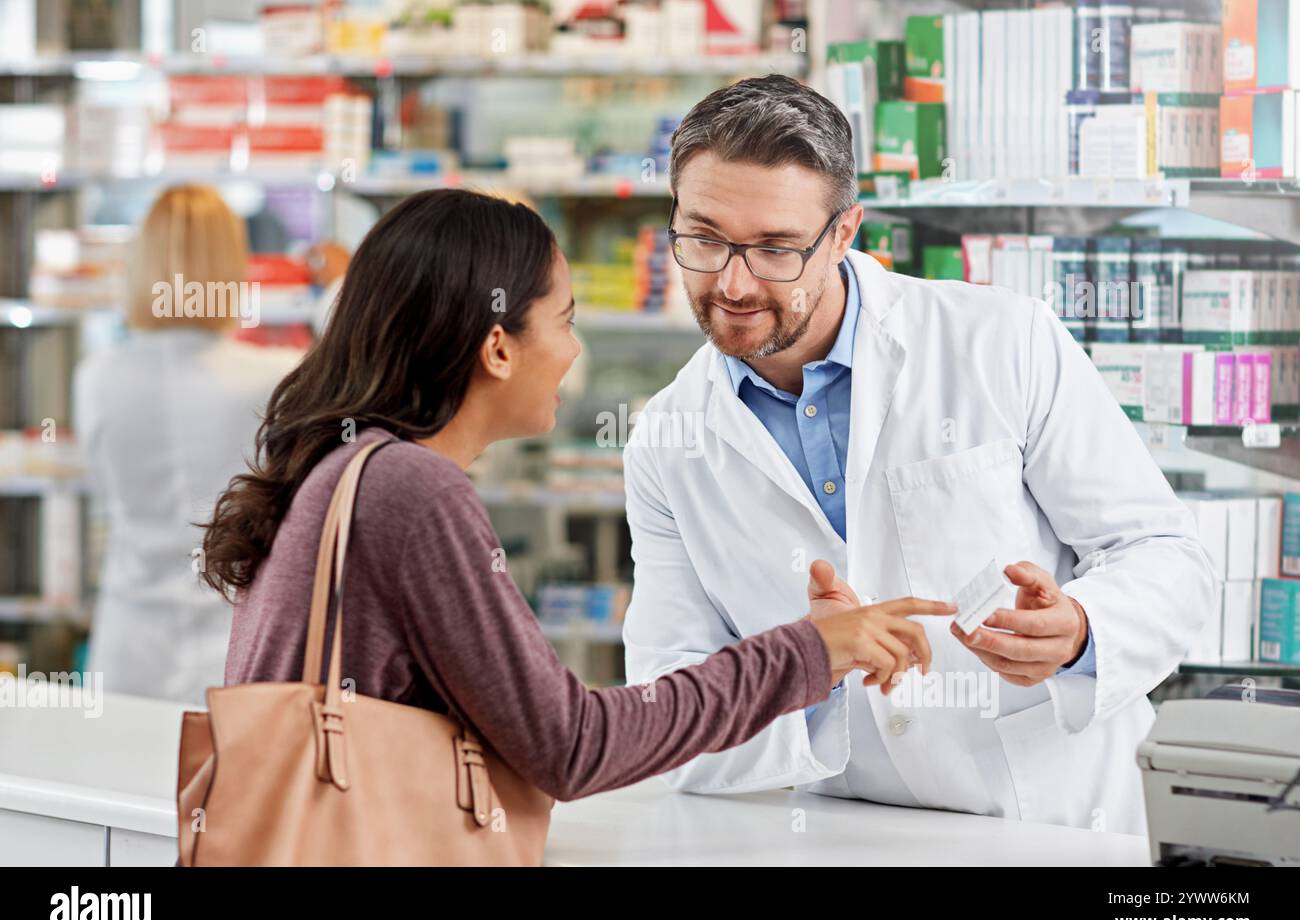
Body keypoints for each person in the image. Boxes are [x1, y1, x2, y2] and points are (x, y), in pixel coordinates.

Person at [204, 188, 955, 803]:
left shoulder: (344, 466)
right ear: (497, 349)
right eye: (563, 322)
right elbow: (570, 745)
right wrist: (809, 652)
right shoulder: (410, 490)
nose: (573, 352)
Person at [620, 75, 1216, 835]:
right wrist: (811, 667)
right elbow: (667, 716)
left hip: (1053, 823)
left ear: (844, 233)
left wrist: (1083, 632)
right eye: (703, 238)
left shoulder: (1000, 341)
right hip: (851, 835)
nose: (732, 282)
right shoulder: (668, 442)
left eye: (774, 248)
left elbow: (1167, 554)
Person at [74, 185, 303, 703]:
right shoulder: (275, 376)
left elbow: (104, 488)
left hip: (127, 639)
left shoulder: (97, 377)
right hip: (233, 645)